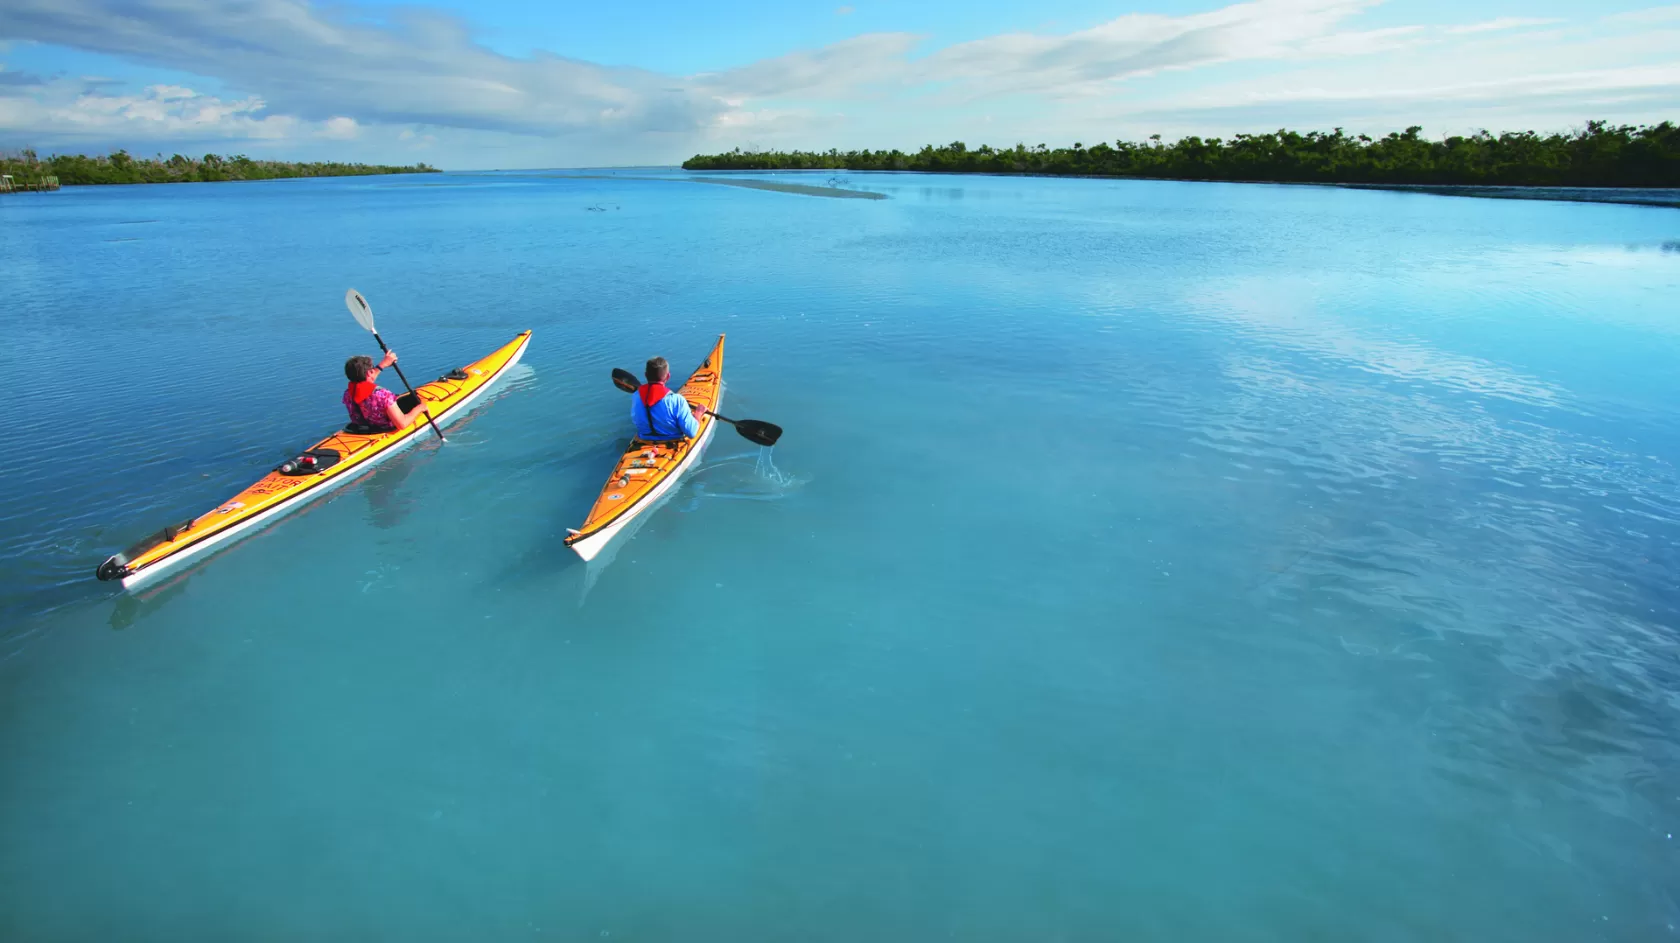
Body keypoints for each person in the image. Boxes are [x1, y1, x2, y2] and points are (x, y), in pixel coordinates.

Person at [343, 351, 430, 430]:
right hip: (385, 428)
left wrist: (383, 364)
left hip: (364, 428)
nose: (374, 370)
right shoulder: (383, 395)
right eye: (372, 368)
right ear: (369, 373)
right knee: (414, 400)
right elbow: (402, 424)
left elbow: (365, 381)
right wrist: (420, 408)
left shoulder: (348, 393)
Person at [632, 356, 706, 441]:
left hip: (644, 439)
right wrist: (698, 414)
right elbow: (692, 433)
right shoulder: (677, 400)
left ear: (645, 375)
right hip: (672, 442)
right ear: (668, 377)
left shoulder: (636, 396)